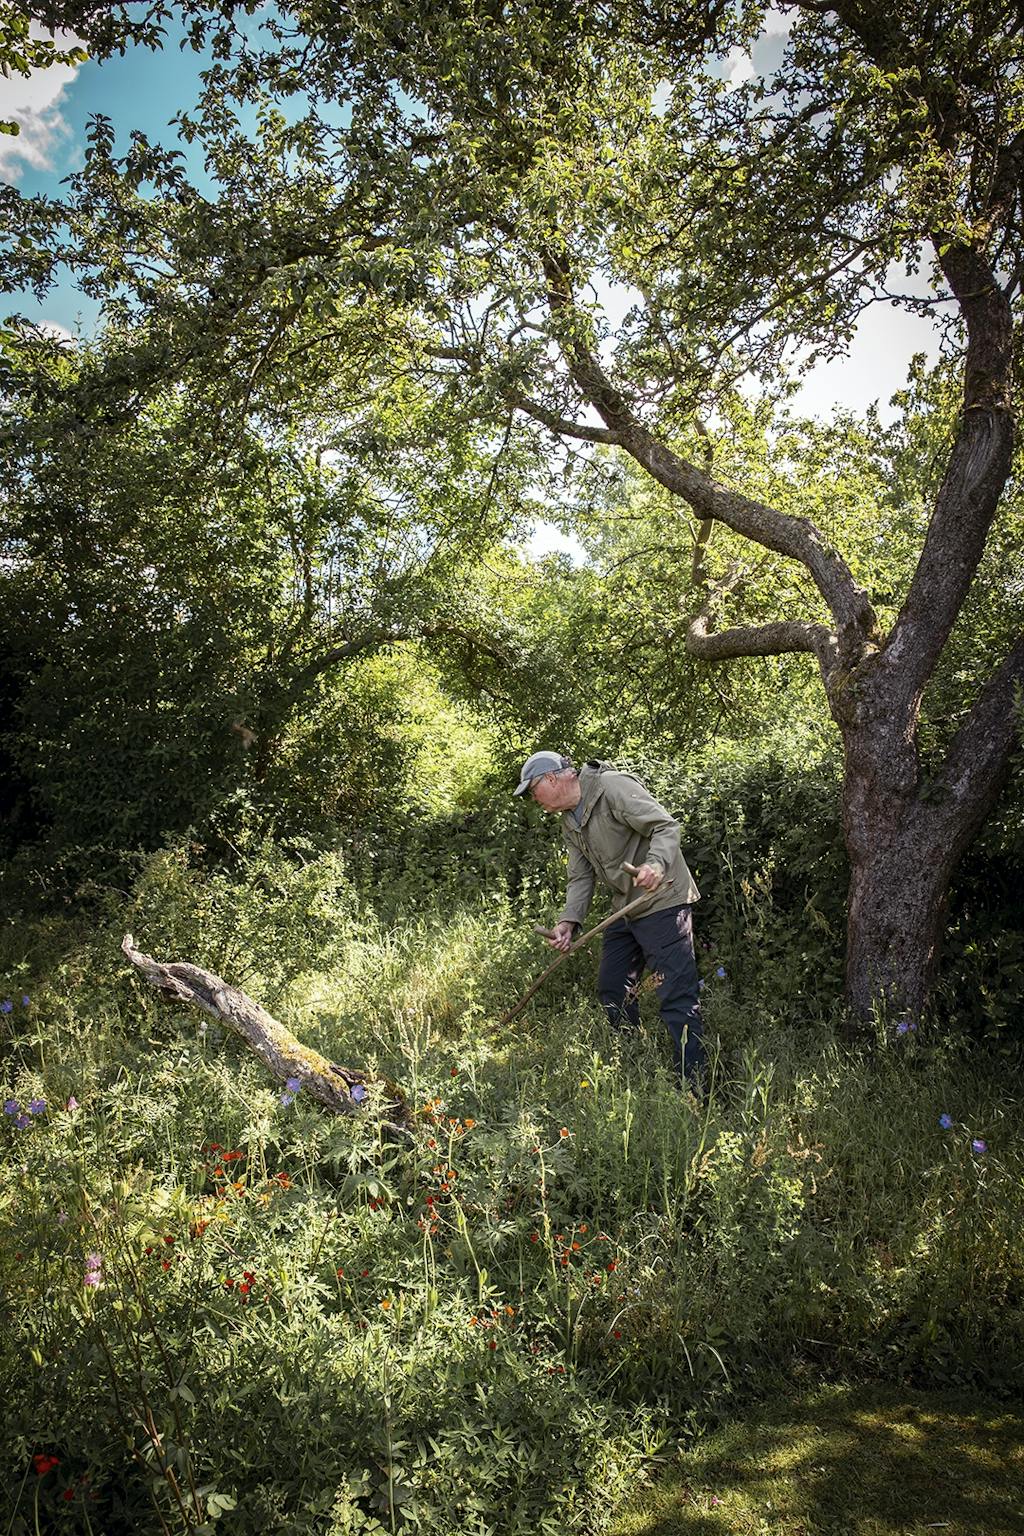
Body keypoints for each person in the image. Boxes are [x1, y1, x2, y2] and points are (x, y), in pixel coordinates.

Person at [514, 751, 706, 1086]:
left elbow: (665, 826)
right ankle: (632, 1061)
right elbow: (580, 877)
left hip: (662, 900)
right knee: (613, 987)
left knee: (676, 995)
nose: (534, 799)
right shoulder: (570, 821)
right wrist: (568, 922)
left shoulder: (612, 787)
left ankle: (697, 1087)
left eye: (533, 790)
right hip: (626, 907)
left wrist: (655, 864)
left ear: (552, 779)